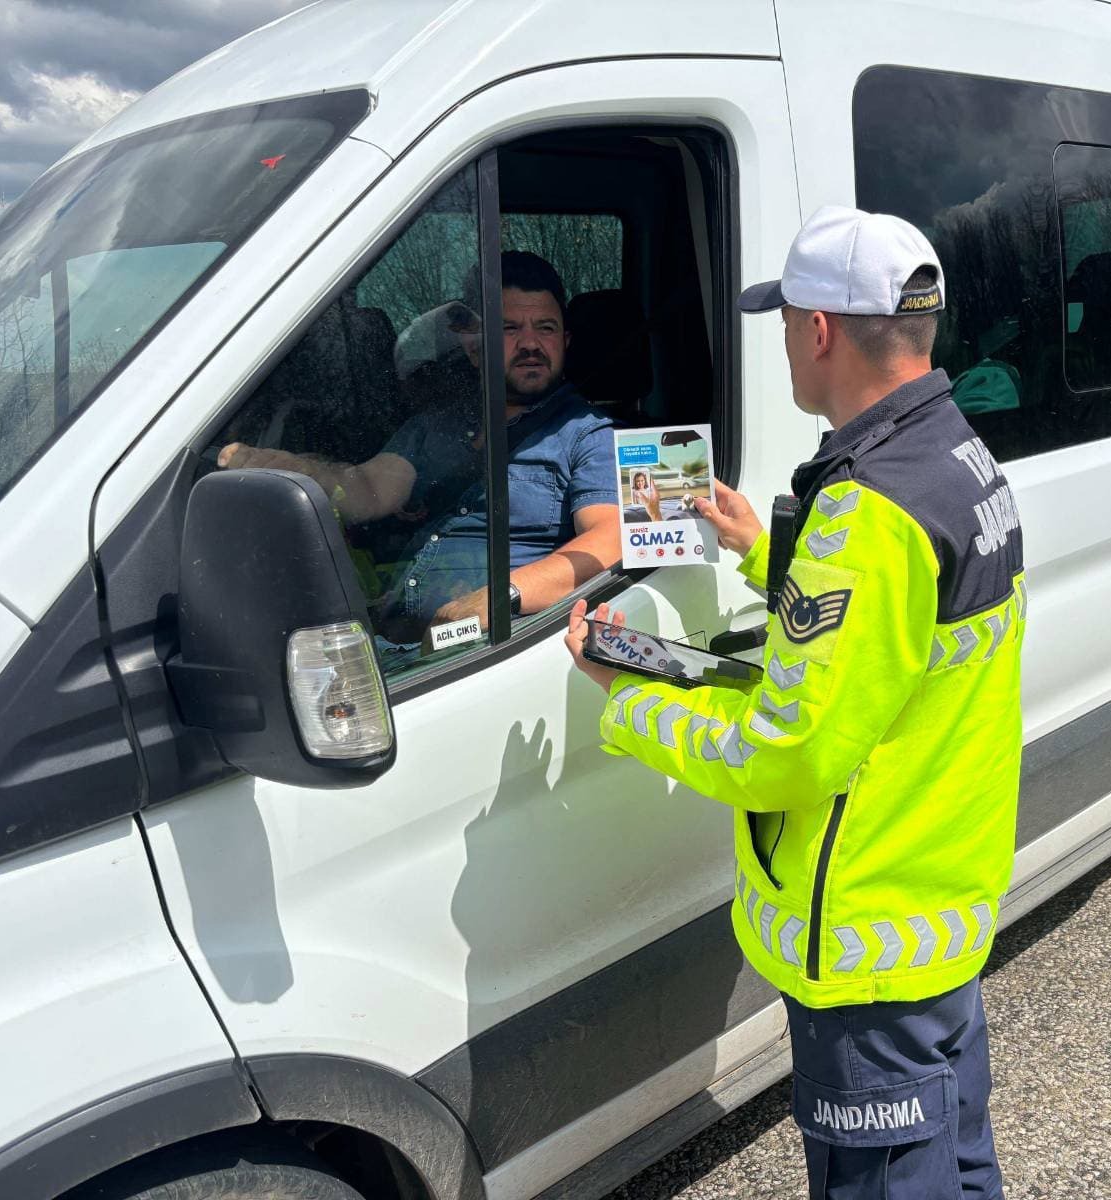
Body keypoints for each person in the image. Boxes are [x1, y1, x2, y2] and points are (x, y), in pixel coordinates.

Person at [565, 206, 1026, 1199]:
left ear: (818, 331)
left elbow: (787, 756)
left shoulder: (866, 513)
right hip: (936, 909)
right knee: (955, 1168)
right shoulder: (956, 461)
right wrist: (765, 551)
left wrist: (627, 695)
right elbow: (897, 640)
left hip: (864, 943)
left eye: (782, 324)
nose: (781, 344)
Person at [220, 252, 620, 643]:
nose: (531, 343)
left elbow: (611, 538)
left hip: (488, 649)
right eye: (510, 328)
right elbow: (367, 490)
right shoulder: (438, 426)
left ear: (565, 341)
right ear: (475, 349)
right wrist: (285, 466)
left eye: (545, 328)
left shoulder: (588, 435)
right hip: (398, 643)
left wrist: (500, 597)